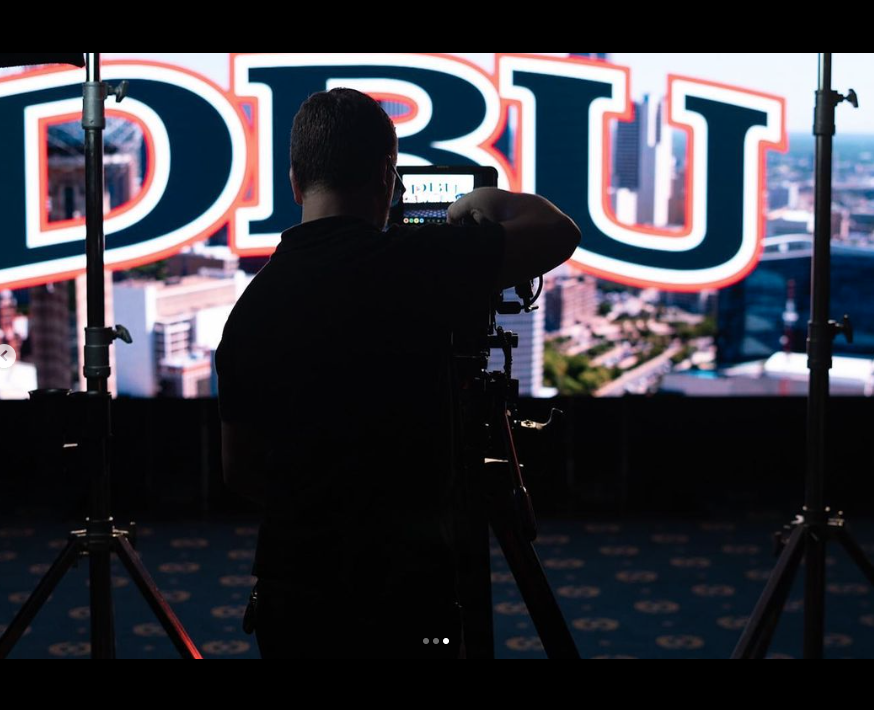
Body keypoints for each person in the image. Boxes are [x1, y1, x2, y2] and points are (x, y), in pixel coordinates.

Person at [216, 88, 580, 659]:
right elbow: (559, 231)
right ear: (390, 176)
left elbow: (239, 469)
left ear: (294, 180)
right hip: (406, 595)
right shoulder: (420, 261)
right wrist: (482, 198)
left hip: (294, 597)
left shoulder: (248, 310)